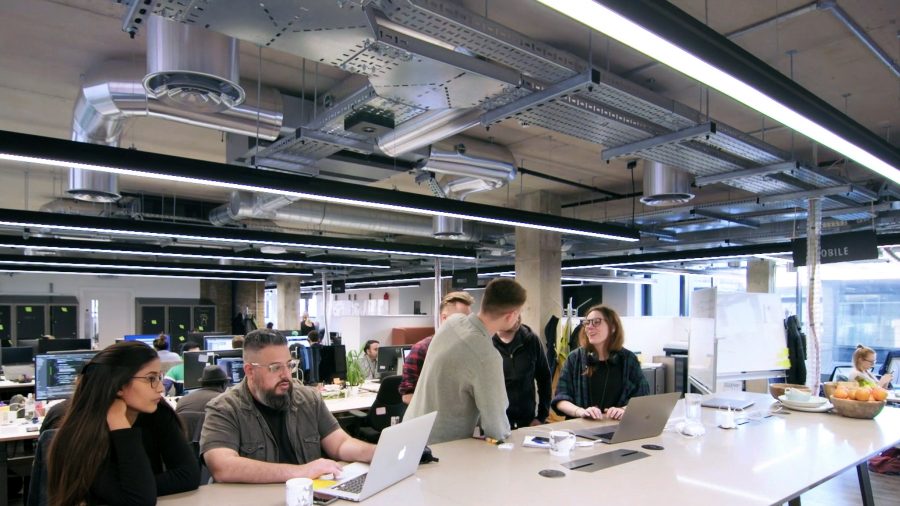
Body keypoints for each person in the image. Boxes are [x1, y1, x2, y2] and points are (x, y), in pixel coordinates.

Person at [200, 329, 375, 482]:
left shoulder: (308, 399)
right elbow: (222, 466)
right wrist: (301, 472)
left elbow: (340, 444)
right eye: (275, 368)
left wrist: (377, 453)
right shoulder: (224, 408)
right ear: (250, 371)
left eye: (289, 365)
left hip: (307, 497)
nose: (286, 375)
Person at [47, 342, 199, 506]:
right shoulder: (83, 434)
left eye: (159, 377)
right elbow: (139, 500)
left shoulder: (157, 413)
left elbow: (188, 476)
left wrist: (136, 487)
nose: (161, 388)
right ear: (119, 384)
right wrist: (119, 424)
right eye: (151, 379)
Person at [405, 278, 525, 444]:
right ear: (511, 315)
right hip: (440, 448)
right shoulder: (487, 357)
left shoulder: (452, 323)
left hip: (408, 433)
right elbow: (496, 427)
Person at [552, 305, 649, 421]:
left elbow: (643, 398)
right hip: (580, 429)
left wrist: (623, 409)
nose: (589, 327)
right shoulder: (574, 358)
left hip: (618, 429)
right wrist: (580, 412)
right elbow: (561, 399)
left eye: (596, 322)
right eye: (587, 323)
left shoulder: (628, 359)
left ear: (613, 327)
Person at [399, 291, 475, 404]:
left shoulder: (470, 349)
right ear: (444, 318)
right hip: (434, 418)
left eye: (469, 320)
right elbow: (408, 395)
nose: (467, 324)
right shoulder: (422, 349)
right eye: (462, 319)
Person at [492, 315, 552, 429]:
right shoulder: (486, 342)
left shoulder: (531, 340)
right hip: (496, 425)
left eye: (517, 310)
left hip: (527, 423)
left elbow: (544, 378)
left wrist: (541, 417)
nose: (516, 315)